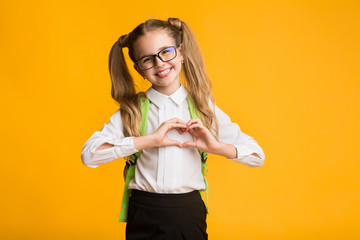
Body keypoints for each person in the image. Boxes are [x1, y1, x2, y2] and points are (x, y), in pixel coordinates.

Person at [81, 17, 265, 240]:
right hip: (143, 212)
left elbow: (257, 156)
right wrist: (149, 140)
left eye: (166, 51)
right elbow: (89, 155)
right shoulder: (132, 111)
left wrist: (216, 147)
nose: (159, 63)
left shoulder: (203, 107)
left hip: (188, 213)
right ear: (139, 69)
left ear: (182, 52)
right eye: (147, 59)